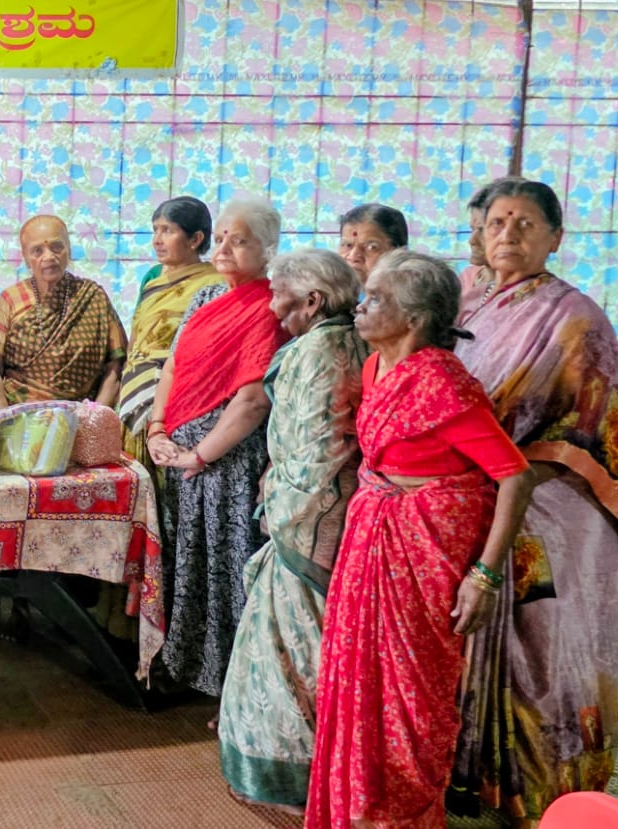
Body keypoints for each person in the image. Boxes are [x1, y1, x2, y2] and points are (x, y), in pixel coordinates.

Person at [308, 250, 533, 828]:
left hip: (424, 552)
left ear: (414, 319)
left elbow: (514, 475)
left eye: (376, 298)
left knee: (412, 694)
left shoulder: (441, 383)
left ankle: (402, 814)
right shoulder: (373, 368)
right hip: (372, 538)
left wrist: (483, 574)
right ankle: (356, 807)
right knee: (355, 676)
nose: (361, 307)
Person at [449, 178, 618, 825]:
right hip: (471, 497)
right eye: (499, 220)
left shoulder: (576, 318)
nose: (509, 233)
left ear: (556, 237)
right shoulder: (468, 298)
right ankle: (478, 776)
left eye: (527, 223)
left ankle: (548, 792)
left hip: (553, 511)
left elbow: (603, 432)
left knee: (542, 652)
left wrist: (512, 471)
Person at [216, 249, 366, 812]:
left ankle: (295, 776)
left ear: (312, 301)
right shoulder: (347, 341)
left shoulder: (319, 352)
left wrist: (278, 509)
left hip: (308, 524)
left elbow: (319, 452)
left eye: (281, 294)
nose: (273, 305)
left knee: (294, 652)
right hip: (330, 513)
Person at [146, 195, 288, 696]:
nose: (225, 247)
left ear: (268, 249)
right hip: (178, 451)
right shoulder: (205, 298)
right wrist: (157, 427)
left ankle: (232, 688)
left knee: (224, 569)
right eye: (223, 236)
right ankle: (184, 668)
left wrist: (201, 453)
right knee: (185, 563)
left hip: (225, 459)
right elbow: (174, 365)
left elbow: (252, 399)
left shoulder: (272, 305)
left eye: (241, 240)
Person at [117, 196, 224, 476]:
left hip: (176, 397)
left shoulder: (215, 284)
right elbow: (137, 336)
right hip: (135, 390)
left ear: (195, 238)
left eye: (168, 230)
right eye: (155, 230)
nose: (157, 239)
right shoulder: (153, 279)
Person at [0, 214, 127, 406]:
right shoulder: (10, 300)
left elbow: (115, 364)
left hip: (82, 416)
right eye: (37, 250)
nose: (48, 256)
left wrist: (95, 417)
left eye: (56, 247)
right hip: (21, 417)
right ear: (25, 258)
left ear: (69, 251)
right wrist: (5, 422)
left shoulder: (94, 296)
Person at [336, 202, 407, 284]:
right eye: (348, 245)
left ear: (398, 252)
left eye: (371, 247)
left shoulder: (414, 295)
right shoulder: (327, 293)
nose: (353, 257)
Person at [459, 183, 491, 289]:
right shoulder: (467, 278)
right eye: (472, 230)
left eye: (482, 231)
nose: (472, 241)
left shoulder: (527, 291)